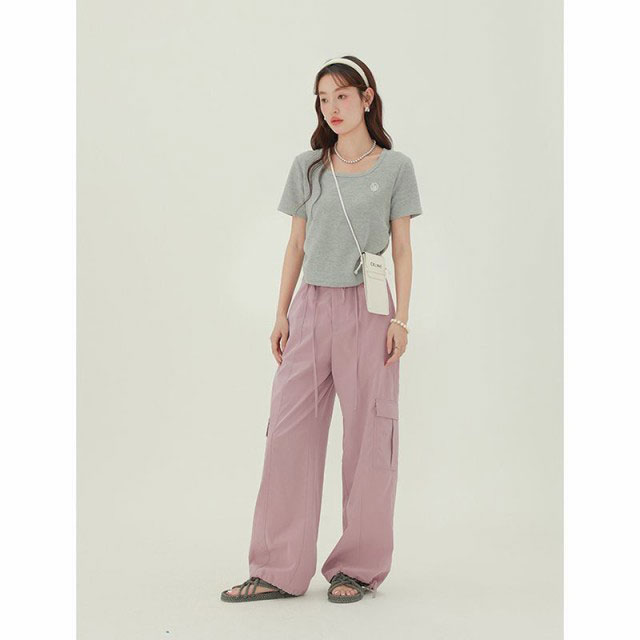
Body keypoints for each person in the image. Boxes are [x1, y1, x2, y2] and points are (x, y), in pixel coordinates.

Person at [221, 55, 423, 604]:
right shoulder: (307, 167)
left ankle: (357, 568)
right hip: (310, 307)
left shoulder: (396, 168)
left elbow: (402, 249)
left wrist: (402, 318)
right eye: (323, 98)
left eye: (342, 96)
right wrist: (281, 312)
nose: (332, 107)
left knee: (369, 440)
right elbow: (295, 244)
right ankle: (276, 568)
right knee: (288, 436)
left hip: (370, 312)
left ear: (367, 97)